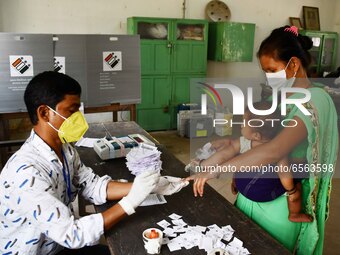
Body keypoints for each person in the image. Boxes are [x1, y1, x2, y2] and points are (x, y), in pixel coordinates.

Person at [186, 26, 338, 255]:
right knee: (238, 241)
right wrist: (230, 142)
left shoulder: (315, 101)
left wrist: (217, 169)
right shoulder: (282, 96)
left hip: (279, 199)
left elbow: (275, 149)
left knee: (265, 246)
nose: (268, 77)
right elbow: (262, 133)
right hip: (253, 186)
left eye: (272, 70)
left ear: (294, 65)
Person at [0, 71, 188, 255]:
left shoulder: (66, 151)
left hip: (56, 245)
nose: (79, 118)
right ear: (44, 113)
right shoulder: (26, 171)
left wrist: (149, 186)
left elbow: (92, 185)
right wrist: (129, 203)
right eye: (71, 110)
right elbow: (72, 234)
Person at [188, 101, 312, 223]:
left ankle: (237, 182)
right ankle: (294, 214)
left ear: (256, 136)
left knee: (238, 157)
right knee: (296, 184)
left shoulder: (244, 143)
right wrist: (292, 191)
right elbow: (284, 173)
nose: (241, 125)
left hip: (243, 186)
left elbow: (225, 154)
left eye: (243, 122)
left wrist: (203, 164)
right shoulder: (279, 150)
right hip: (260, 193)